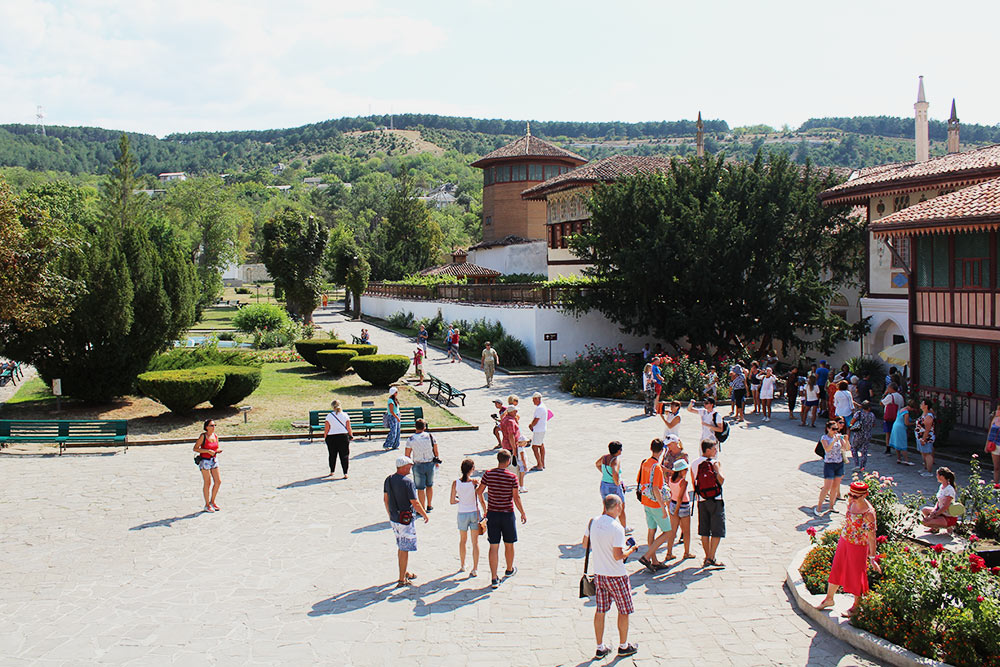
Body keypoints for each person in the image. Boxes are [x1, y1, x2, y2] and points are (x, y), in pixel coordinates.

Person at [583, 495, 640, 660]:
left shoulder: (593, 521)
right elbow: (618, 555)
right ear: (617, 506)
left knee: (600, 610)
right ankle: (623, 646)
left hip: (600, 574)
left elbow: (585, 544)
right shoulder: (617, 528)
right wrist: (632, 549)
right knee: (624, 610)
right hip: (617, 576)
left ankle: (600, 647)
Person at [815, 481, 877, 617]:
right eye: (850, 494)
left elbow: (872, 537)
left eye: (856, 496)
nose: (852, 498)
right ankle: (829, 598)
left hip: (858, 545)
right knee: (837, 567)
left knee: (856, 573)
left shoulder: (868, 513)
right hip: (845, 540)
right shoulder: (851, 502)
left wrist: (872, 557)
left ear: (865, 495)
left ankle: (856, 605)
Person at [477, 450, 527, 589]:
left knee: (493, 546)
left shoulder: (488, 474)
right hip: (507, 514)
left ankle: (493, 577)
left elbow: (479, 491)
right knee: (509, 543)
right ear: (508, 461)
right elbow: (516, 497)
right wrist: (522, 512)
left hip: (492, 513)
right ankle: (509, 569)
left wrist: (484, 506)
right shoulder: (512, 477)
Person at [384, 456, 430, 587]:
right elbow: (415, 502)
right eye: (409, 466)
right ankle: (401, 579)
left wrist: (390, 513)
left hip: (394, 518)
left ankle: (404, 571)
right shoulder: (407, 482)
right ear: (404, 467)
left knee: (400, 546)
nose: (411, 468)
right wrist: (424, 514)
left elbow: (385, 498)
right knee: (404, 548)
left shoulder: (389, 479)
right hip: (405, 519)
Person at [636, 439, 671, 572]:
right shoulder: (656, 467)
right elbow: (656, 488)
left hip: (646, 501)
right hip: (655, 503)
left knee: (651, 530)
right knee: (668, 532)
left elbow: (639, 480)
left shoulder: (645, 462)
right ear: (662, 451)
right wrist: (663, 506)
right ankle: (647, 556)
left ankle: (655, 561)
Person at [691, 441, 726, 568]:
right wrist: (717, 470)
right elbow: (721, 480)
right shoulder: (715, 463)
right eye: (714, 449)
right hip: (715, 499)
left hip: (701, 499)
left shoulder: (694, 464)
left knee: (704, 530)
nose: (716, 451)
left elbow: (693, 482)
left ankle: (707, 556)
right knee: (717, 529)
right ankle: (712, 557)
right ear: (707, 450)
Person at [451, 458, 487, 576]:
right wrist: (485, 510)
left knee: (462, 540)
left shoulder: (456, 483)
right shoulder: (474, 483)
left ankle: (462, 565)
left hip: (462, 513)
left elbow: (452, 501)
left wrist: (460, 500)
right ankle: (475, 568)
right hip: (473, 513)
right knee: (475, 542)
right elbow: (480, 499)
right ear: (472, 469)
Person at [404, 419, 439, 511]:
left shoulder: (411, 439)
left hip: (418, 464)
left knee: (420, 488)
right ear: (424, 427)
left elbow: (407, 454)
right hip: (430, 463)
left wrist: (409, 465)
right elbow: (435, 450)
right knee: (429, 485)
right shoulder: (431, 436)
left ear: (415, 427)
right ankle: (429, 505)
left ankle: (422, 508)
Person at [815, 420, 848, 516]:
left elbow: (845, 448)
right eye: (833, 429)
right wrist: (834, 440)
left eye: (836, 429)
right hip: (829, 464)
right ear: (828, 429)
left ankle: (831, 506)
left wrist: (844, 439)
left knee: (835, 486)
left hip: (839, 463)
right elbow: (827, 449)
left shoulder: (838, 437)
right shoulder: (824, 438)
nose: (835, 431)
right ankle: (819, 507)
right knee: (827, 486)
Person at [594, 442, 628, 531]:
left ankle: (601, 527)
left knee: (606, 508)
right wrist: (618, 483)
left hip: (604, 485)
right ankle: (624, 528)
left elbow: (597, 464)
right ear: (617, 451)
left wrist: (604, 473)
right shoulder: (616, 460)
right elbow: (615, 472)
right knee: (621, 507)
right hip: (613, 487)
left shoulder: (604, 457)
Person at [665, 459, 693, 561]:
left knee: (672, 531)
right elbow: (681, 497)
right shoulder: (683, 482)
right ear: (681, 471)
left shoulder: (670, 479)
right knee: (686, 531)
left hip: (673, 503)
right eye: (685, 470)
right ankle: (686, 552)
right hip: (683, 506)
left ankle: (669, 553)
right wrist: (677, 510)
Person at [193, 419, 222, 513]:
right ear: (206, 427)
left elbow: (216, 447)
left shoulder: (215, 436)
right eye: (211, 425)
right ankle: (207, 504)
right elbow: (195, 448)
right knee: (207, 482)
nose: (213, 427)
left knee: (218, 481)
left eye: (214, 425)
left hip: (213, 460)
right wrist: (207, 451)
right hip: (205, 461)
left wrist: (217, 450)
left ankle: (212, 501)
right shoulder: (203, 436)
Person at [920, 467, 958, 533]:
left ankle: (948, 526)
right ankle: (935, 528)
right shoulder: (941, 486)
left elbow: (945, 506)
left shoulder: (949, 489)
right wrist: (934, 511)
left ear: (942, 476)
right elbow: (939, 502)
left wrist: (933, 515)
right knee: (924, 510)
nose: (936, 477)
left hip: (947, 515)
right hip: (940, 512)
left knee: (925, 522)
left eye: (937, 475)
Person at [323, 400, 353, 479]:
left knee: (332, 455)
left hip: (331, 436)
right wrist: (351, 435)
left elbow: (327, 428)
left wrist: (325, 436)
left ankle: (332, 471)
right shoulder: (345, 415)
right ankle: (345, 473)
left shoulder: (329, 416)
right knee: (344, 455)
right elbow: (348, 427)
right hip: (343, 436)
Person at [849, 401, 876, 472]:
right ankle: (862, 466)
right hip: (867, 435)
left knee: (854, 448)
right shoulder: (872, 415)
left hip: (858, 434)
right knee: (864, 451)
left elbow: (852, 422)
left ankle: (856, 464)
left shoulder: (859, 414)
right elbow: (873, 424)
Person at [888, 399, 915, 466]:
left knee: (897, 443)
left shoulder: (901, 409)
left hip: (895, 426)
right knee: (903, 443)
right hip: (901, 428)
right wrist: (914, 423)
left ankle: (899, 458)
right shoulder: (906, 412)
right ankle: (906, 460)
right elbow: (906, 423)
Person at [881, 383, 905, 454]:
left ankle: (888, 447)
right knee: (896, 432)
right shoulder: (900, 396)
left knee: (888, 432)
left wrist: (884, 395)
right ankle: (898, 448)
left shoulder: (890, 396)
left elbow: (881, 403)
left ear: (891, 388)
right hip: (898, 416)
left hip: (889, 416)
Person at [914, 398, 936, 477]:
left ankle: (929, 471)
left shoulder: (928, 416)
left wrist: (924, 439)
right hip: (920, 437)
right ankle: (925, 467)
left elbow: (927, 429)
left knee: (927, 454)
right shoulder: (924, 414)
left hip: (926, 438)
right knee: (923, 453)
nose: (920, 405)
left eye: (922, 404)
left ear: (926, 406)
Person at [529, 392, 548, 471]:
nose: (533, 401)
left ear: (537, 399)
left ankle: (539, 464)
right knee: (541, 445)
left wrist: (531, 425)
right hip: (541, 429)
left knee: (534, 447)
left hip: (539, 430)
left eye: (533, 400)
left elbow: (536, 419)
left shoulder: (539, 408)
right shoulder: (542, 407)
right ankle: (542, 463)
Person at [382, 386, 402, 450]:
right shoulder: (390, 401)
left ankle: (395, 444)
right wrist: (397, 417)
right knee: (393, 431)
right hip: (393, 417)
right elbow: (391, 411)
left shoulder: (395, 400)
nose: (397, 393)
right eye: (396, 392)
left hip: (397, 415)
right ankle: (387, 444)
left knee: (398, 431)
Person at [986, 405, 1000, 486]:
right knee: (996, 467)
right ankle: (996, 484)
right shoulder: (995, 419)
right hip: (994, 445)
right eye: (997, 410)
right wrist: (987, 444)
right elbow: (990, 432)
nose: (997, 412)